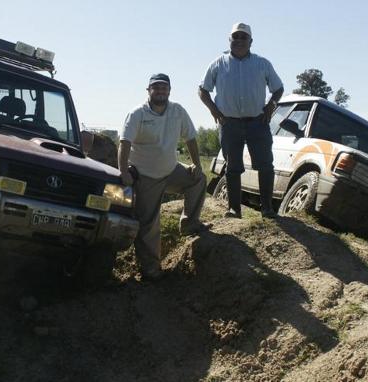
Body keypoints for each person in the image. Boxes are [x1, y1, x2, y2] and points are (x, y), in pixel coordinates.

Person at [119, 73, 210, 280]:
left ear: (169, 90)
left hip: (170, 171)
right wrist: (124, 171)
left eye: (164, 88)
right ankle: (150, 269)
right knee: (149, 224)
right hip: (146, 176)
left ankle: (190, 224)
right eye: (156, 87)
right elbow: (124, 143)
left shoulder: (177, 111)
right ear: (148, 90)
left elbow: (191, 138)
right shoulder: (137, 114)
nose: (160, 91)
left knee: (198, 179)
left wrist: (196, 163)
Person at [199, 22, 284, 218]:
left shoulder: (262, 64)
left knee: (265, 164)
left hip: (258, 122)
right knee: (233, 166)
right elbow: (203, 90)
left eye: (243, 37)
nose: (239, 40)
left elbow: (278, 89)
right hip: (229, 123)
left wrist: (271, 106)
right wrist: (214, 110)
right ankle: (234, 209)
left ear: (251, 41)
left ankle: (267, 208)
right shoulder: (218, 64)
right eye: (235, 37)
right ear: (229, 40)